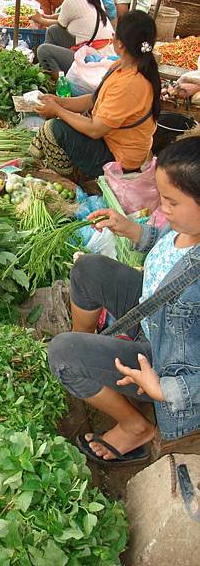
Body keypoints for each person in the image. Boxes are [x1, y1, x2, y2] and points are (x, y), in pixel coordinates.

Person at [48, 136, 200, 464]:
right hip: (155, 318)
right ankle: (90, 359)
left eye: (172, 202)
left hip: (164, 362)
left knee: (62, 353)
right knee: (88, 269)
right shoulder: (189, 229)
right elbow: (171, 250)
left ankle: (136, 427)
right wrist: (134, 231)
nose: (163, 209)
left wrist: (165, 389)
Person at [30, 10, 160, 181]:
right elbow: (94, 99)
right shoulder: (121, 66)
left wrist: (57, 111)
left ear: (119, 43)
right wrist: (59, 102)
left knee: (53, 129)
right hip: (109, 141)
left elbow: (94, 130)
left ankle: (76, 180)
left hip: (118, 161)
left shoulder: (131, 83)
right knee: (63, 123)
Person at [34, 0, 114, 77]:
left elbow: (61, 23)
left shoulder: (72, 1)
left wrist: (40, 19)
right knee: (53, 31)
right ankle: (50, 73)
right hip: (101, 50)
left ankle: (62, 84)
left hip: (94, 60)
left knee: (43, 51)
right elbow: (65, 17)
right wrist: (47, 16)